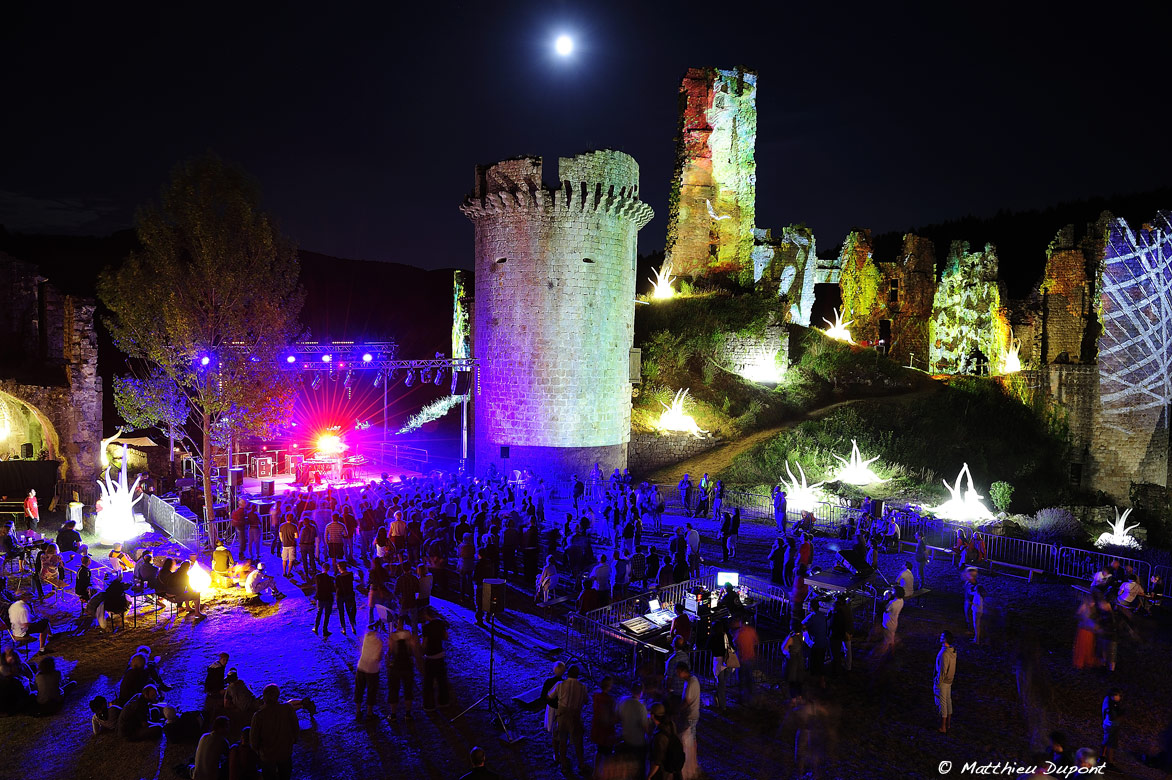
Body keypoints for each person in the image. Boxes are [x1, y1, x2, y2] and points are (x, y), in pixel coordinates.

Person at [250, 684, 298, 780]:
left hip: (267, 756)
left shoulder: (259, 715)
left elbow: (254, 740)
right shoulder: (287, 709)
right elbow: (295, 728)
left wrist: (259, 751)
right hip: (285, 752)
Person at [551, 664, 588, 773]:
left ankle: (563, 764)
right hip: (575, 716)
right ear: (578, 675)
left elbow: (550, 696)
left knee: (562, 740)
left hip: (562, 716)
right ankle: (581, 763)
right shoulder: (582, 687)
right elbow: (586, 700)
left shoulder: (560, 685)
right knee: (578, 741)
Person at [387, 612, 423, 721]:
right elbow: (414, 650)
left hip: (396, 666)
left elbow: (390, 651)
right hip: (407, 665)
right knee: (408, 689)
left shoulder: (392, 636)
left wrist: (388, 663)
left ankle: (393, 714)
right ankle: (408, 714)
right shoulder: (408, 635)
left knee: (394, 690)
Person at [420, 607, 450, 711]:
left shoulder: (426, 628)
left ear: (426, 615)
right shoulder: (440, 623)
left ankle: (429, 705)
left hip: (430, 657)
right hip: (440, 655)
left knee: (428, 682)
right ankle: (444, 702)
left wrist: (420, 652)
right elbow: (446, 637)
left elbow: (424, 645)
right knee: (442, 680)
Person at [674, 663, 701, 778]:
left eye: (677, 671)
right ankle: (693, 762)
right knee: (691, 738)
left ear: (683, 671)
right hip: (692, 715)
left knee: (689, 740)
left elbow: (687, 701)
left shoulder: (691, 683)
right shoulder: (692, 680)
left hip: (690, 716)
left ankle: (691, 763)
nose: (676, 674)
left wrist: (677, 711)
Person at [648, 702, 684, 780]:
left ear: (653, 715)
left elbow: (657, 761)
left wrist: (649, 776)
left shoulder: (659, 736)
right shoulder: (671, 724)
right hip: (674, 764)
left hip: (665, 769)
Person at [590, 676, 619, 772]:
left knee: (599, 750)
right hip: (607, 730)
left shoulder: (596, 696)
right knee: (608, 753)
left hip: (598, 727)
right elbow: (612, 717)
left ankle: (596, 771)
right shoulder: (609, 700)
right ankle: (606, 773)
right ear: (609, 686)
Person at [355, 626, 383, 720]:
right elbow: (378, 658)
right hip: (372, 669)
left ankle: (358, 711)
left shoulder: (366, 637)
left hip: (361, 666)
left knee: (359, 689)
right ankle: (369, 713)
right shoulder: (379, 642)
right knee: (371, 691)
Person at [192, 716, 231, 780]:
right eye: (226, 726)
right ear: (220, 728)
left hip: (196, 776)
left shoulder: (204, 736)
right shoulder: (222, 741)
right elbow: (229, 756)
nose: (228, 729)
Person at [335, 561, 358, 635]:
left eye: (338, 567)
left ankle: (344, 628)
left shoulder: (338, 577)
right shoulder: (350, 575)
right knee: (349, 611)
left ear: (340, 567)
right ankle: (353, 626)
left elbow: (336, 587)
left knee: (341, 612)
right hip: (349, 595)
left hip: (340, 596)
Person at [313, 564, 335, 638]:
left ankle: (316, 627)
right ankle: (325, 630)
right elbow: (333, 589)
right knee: (327, 614)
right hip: (328, 598)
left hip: (320, 597)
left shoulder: (317, 577)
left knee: (319, 612)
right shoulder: (330, 578)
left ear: (322, 568)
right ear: (328, 569)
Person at [1102, 688, 1122, 768]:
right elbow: (1112, 716)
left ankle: (1102, 756)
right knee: (1111, 743)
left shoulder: (1109, 701)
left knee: (1106, 740)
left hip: (1108, 724)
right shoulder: (1111, 705)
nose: (1119, 697)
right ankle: (1109, 762)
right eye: (1117, 695)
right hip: (1111, 725)